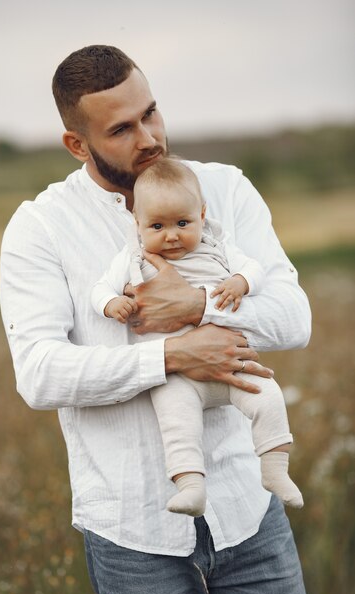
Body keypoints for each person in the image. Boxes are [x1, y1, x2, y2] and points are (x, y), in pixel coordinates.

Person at [0, 45, 312, 594]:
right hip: (132, 533)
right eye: (121, 128)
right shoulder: (40, 227)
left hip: (248, 510)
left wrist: (197, 305)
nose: (149, 137)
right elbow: (39, 373)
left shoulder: (224, 188)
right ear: (77, 144)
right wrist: (171, 355)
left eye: (151, 113)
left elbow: (295, 317)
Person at [91, 157, 303, 517]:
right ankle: (191, 486)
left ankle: (274, 468)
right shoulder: (132, 257)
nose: (172, 235)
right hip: (175, 375)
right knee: (177, 423)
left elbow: (255, 268)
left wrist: (241, 282)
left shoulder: (217, 245)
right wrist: (111, 304)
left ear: (202, 215)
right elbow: (100, 289)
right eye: (157, 225)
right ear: (137, 223)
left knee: (268, 396)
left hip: (230, 361)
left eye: (183, 223)